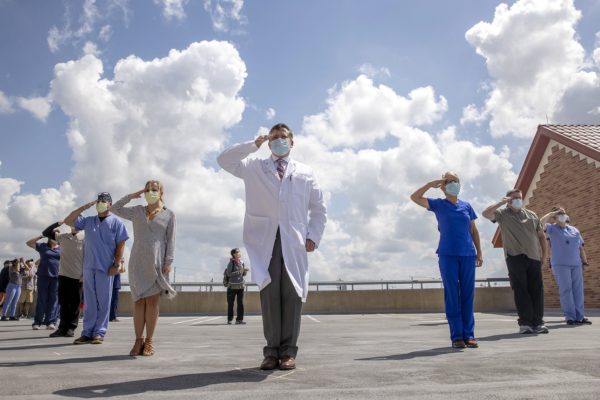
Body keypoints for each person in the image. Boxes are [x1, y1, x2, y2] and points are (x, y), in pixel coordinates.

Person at [217, 123, 327, 370]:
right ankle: (270, 352)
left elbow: (319, 209)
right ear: (268, 142)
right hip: (264, 240)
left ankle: (288, 352)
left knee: (292, 295)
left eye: (283, 137)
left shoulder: (306, 172)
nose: (278, 140)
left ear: (292, 141)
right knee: (270, 296)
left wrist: (314, 236)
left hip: (294, 240)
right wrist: (253, 144)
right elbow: (224, 159)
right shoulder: (254, 166)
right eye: (274, 137)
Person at [410, 172, 483, 349]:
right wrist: (430, 183)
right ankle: (457, 336)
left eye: (456, 181)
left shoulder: (467, 206)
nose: (453, 184)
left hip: (468, 254)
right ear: (442, 186)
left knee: (468, 295)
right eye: (449, 181)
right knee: (452, 295)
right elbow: (415, 197)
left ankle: (469, 335)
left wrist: (479, 253)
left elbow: (473, 231)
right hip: (447, 254)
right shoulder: (438, 204)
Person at [110, 181, 176, 357]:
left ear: (161, 192)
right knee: (138, 302)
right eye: (147, 190)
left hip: (157, 263)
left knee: (152, 302)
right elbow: (114, 208)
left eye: (154, 190)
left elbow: (170, 241)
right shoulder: (137, 211)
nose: (150, 192)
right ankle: (138, 340)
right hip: (137, 261)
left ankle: (149, 341)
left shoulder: (169, 215)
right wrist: (132, 196)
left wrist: (168, 262)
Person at [64, 192, 129, 345]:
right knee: (89, 302)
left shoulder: (116, 222)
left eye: (104, 201)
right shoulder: (88, 221)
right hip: (88, 267)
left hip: (106, 268)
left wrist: (115, 264)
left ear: (110, 204)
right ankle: (87, 332)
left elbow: (121, 244)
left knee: (104, 301)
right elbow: (68, 221)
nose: (101, 203)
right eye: (99, 200)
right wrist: (84, 207)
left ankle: (99, 332)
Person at [482, 189, 549, 334]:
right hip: (514, 257)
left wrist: (544, 256)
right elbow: (486, 214)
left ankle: (538, 323)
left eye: (520, 197)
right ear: (509, 200)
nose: (518, 200)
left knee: (536, 291)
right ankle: (525, 323)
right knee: (521, 291)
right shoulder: (503, 215)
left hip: (534, 257)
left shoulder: (532, 215)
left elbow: (541, 236)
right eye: (514, 198)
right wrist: (501, 202)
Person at [540, 206, 591, 326]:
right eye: (559, 213)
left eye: (563, 213)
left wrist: (585, 262)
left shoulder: (574, 230)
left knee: (578, 290)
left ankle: (580, 316)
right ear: (555, 217)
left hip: (576, 264)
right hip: (560, 265)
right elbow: (540, 223)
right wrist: (551, 213)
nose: (563, 215)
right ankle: (570, 317)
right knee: (566, 290)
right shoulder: (551, 228)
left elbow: (580, 248)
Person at [41, 221, 85, 338]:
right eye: (74, 222)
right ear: (70, 225)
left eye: (78, 222)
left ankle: (71, 327)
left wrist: (84, 274)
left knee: (75, 304)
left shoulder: (85, 238)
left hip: (77, 276)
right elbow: (45, 233)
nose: (76, 225)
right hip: (63, 274)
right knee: (64, 303)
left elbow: (89, 257)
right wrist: (57, 223)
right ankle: (62, 328)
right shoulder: (63, 237)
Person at [26, 230, 61, 330]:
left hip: (56, 277)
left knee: (54, 300)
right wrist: (41, 236)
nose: (54, 237)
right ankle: (37, 322)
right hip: (43, 276)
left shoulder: (62, 248)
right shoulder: (42, 247)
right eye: (52, 235)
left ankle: (51, 322)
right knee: (42, 299)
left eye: (56, 235)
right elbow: (28, 243)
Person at [225, 248, 248, 325]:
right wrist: (239, 272)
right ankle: (230, 319)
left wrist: (244, 272)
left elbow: (242, 274)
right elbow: (229, 274)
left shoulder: (242, 262)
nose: (239, 253)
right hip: (232, 286)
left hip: (241, 285)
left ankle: (239, 320)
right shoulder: (231, 263)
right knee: (231, 303)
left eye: (239, 252)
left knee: (240, 303)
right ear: (234, 254)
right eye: (237, 252)